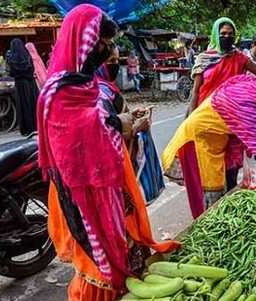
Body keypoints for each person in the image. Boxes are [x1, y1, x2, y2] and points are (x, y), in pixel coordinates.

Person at [36, 5, 179, 300]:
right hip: (85, 192)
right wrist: (119, 122)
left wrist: (120, 123)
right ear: (86, 40)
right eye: (104, 42)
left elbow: (98, 123)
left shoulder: (85, 83)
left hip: (109, 184)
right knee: (98, 262)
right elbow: (74, 142)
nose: (109, 50)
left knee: (124, 244)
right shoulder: (58, 91)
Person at [163, 71, 256, 218]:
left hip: (213, 139)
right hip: (197, 141)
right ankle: (209, 224)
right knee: (209, 192)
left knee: (220, 187)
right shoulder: (249, 105)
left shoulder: (253, 86)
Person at [188, 17, 256, 191]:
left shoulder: (240, 58)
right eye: (223, 33)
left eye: (230, 34)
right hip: (206, 117)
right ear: (216, 34)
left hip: (232, 118)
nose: (227, 37)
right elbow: (195, 91)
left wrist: (252, 92)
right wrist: (191, 118)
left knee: (232, 163)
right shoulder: (204, 59)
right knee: (209, 164)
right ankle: (210, 202)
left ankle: (228, 196)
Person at [7, 38, 39, 136]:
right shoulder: (27, 56)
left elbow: (11, 73)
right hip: (31, 83)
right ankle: (36, 126)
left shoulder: (11, 58)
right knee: (32, 104)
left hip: (20, 85)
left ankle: (27, 128)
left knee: (23, 105)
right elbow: (32, 69)